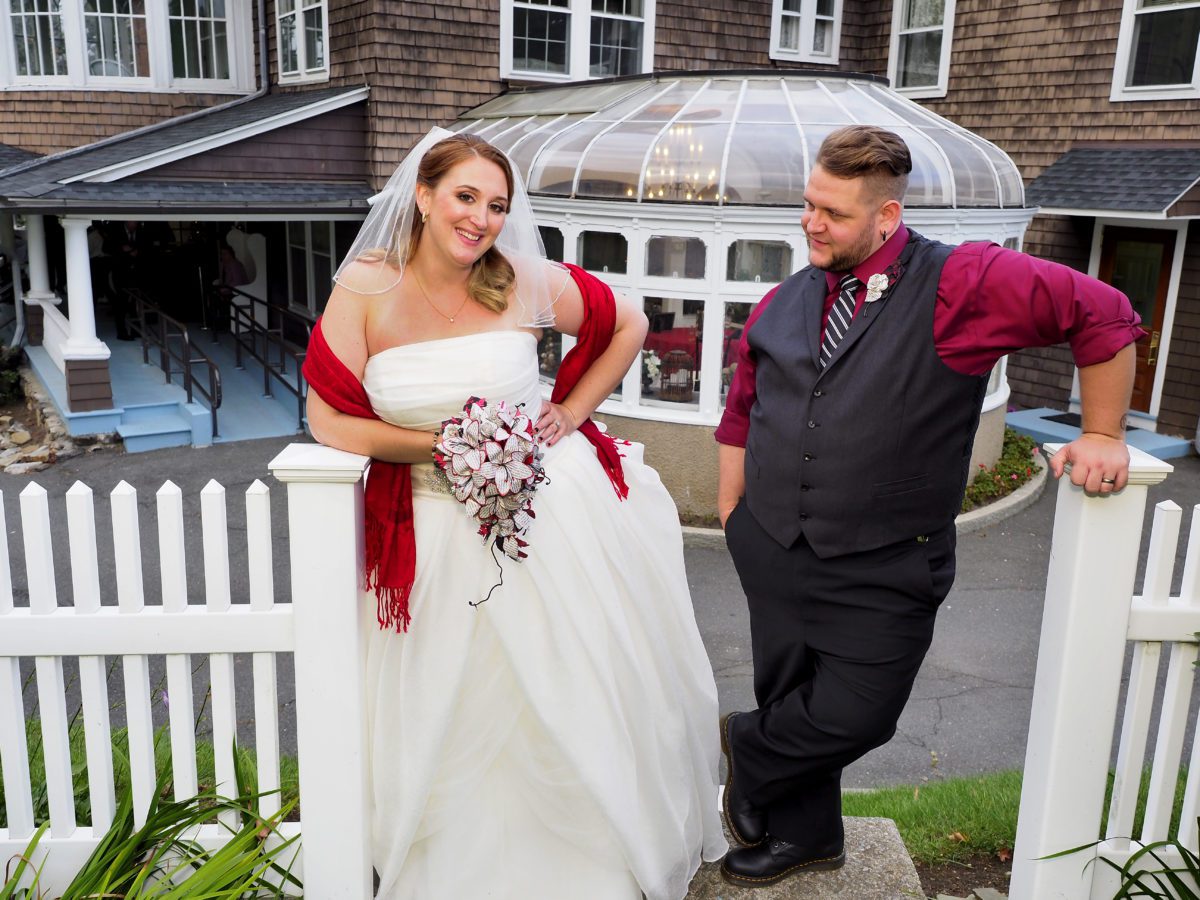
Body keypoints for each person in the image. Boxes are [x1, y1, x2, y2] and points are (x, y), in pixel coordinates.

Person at [302, 128, 727, 899]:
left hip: (547, 522)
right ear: (424, 197)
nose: (482, 219)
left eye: (498, 205)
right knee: (449, 705)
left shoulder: (522, 279)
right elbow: (330, 420)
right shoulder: (366, 284)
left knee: (565, 689)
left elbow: (627, 325)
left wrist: (567, 409)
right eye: (465, 197)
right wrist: (440, 447)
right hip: (431, 527)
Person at [714, 125, 1143, 889]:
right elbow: (744, 406)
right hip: (772, 544)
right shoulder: (784, 299)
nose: (812, 223)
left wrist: (1103, 431)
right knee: (789, 695)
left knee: (858, 714)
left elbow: (1104, 314)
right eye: (809, 205)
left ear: (886, 218)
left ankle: (749, 752)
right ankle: (807, 837)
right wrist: (732, 511)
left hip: (886, 559)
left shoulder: (963, 283)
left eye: (834, 214)